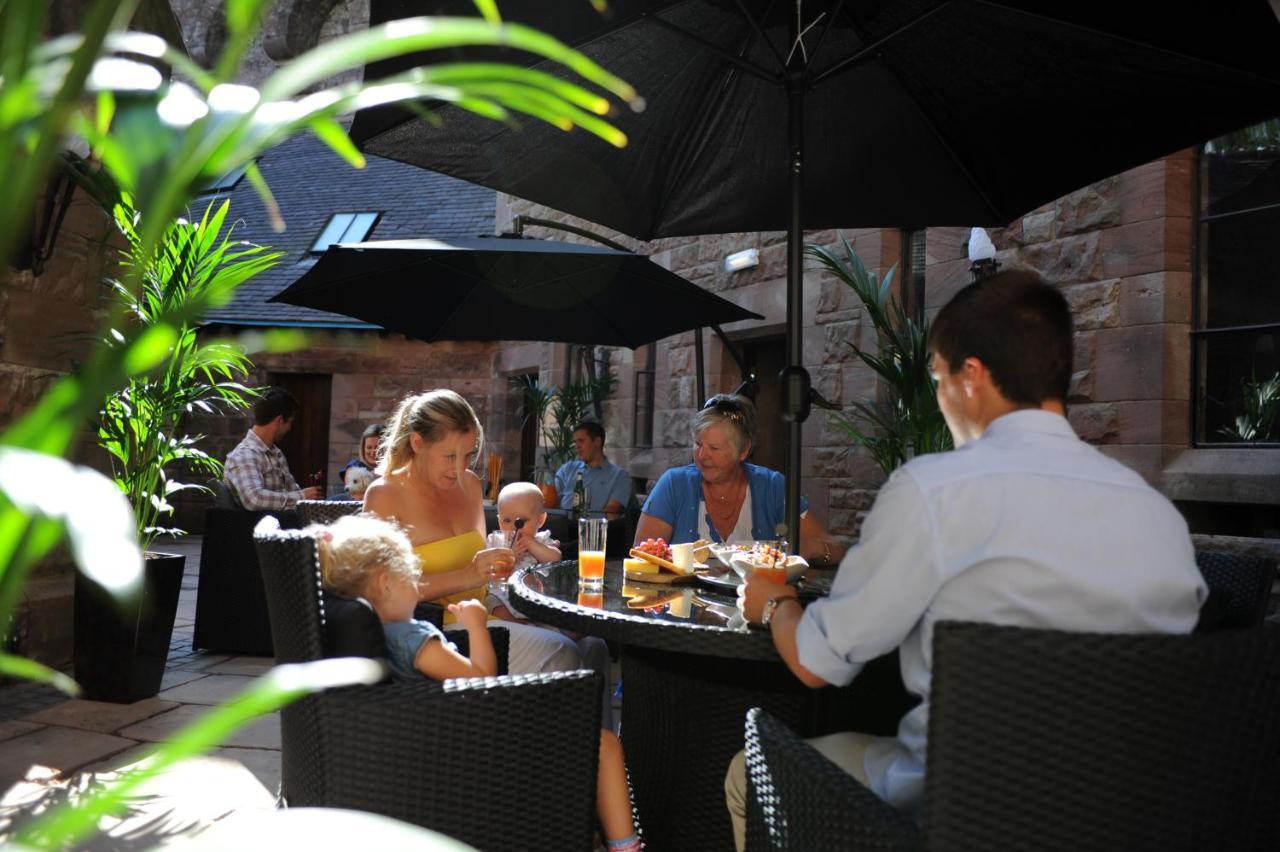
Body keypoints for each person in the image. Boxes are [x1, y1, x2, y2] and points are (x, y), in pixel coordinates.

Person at [724, 270, 1208, 850]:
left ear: (971, 376)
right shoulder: (1158, 516)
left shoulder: (934, 492)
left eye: (937, 377)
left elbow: (816, 664)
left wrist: (775, 599)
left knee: (743, 773)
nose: (938, 394)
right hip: (1130, 815)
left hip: (961, 812)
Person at [315, 514, 640, 852]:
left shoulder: (365, 631)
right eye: (412, 577)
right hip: (471, 747)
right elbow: (482, 677)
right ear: (384, 584)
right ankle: (624, 845)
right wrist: (476, 625)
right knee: (604, 746)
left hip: (432, 742)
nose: (418, 587)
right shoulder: (411, 638)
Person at [363, 389, 587, 675]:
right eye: (450, 456)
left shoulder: (469, 485)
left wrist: (509, 560)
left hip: (486, 612)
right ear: (417, 442)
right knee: (562, 649)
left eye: (468, 455)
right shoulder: (385, 494)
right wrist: (469, 575)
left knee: (593, 644)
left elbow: (481, 564)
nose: (460, 468)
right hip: (438, 631)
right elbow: (380, 592)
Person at [634, 394, 841, 565]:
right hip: (684, 608)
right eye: (698, 444)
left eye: (714, 448)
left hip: (756, 608)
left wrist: (813, 549)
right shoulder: (674, 484)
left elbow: (835, 551)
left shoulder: (772, 486)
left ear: (744, 450)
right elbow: (642, 558)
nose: (702, 455)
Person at [491, 481, 615, 730]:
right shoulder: (496, 541)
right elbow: (494, 571)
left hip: (537, 604)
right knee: (495, 605)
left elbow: (554, 559)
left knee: (584, 635)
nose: (513, 528)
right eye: (506, 520)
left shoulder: (544, 542)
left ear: (541, 520)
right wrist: (511, 554)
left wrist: (532, 544)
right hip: (505, 598)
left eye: (521, 521)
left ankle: (595, 731)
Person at [223, 386, 322, 510]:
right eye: (290, 422)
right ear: (280, 420)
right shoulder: (244, 455)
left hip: (288, 523)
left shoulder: (276, 453)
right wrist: (301, 496)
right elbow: (254, 499)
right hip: (260, 526)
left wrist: (310, 497)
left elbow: (292, 491)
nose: (290, 428)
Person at [554, 421, 632, 517]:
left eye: (581, 441)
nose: (576, 446)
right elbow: (549, 498)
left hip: (594, 529)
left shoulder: (619, 476)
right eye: (575, 442)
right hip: (561, 528)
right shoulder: (567, 469)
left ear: (597, 442)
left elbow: (612, 511)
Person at [338, 423, 383, 497]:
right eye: (369, 447)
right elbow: (354, 491)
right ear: (363, 448)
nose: (373, 452)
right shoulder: (355, 465)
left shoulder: (396, 469)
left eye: (378, 448)